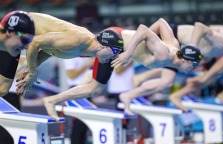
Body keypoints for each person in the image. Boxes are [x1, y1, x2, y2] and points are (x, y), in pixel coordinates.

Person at [39, 18, 202, 120]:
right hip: (114, 41)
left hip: (119, 42)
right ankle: (40, 47)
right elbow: (144, 29)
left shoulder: (174, 46)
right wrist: (129, 53)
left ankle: (52, 99)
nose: (195, 68)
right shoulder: (163, 53)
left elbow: (160, 22)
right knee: (74, 51)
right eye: (194, 64)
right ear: (185, 60)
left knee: (96, 89)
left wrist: (140, 47)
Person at [119, 20, 223, 113]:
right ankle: (132, 90)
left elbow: (215, 67)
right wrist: (193, 46)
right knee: (164, 76)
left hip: (181, 47)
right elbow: (199, 26)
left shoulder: (218, 53)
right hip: (175, 38)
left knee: (166, 82)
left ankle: (130, 93)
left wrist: (202, 68)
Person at [0, 11, 35, 144]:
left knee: (7, 135)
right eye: (25, 41)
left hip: (11, 96)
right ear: (9, 32)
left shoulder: (12, 50)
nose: (26, 47)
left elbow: (2, 89)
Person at [63, 57, 94, 144]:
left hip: (87, 88)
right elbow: (71, 75)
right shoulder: (70, 56)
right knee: (78, 122)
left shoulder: (85, 53)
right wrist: (87, 65)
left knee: (85, 122)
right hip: (76, 89)